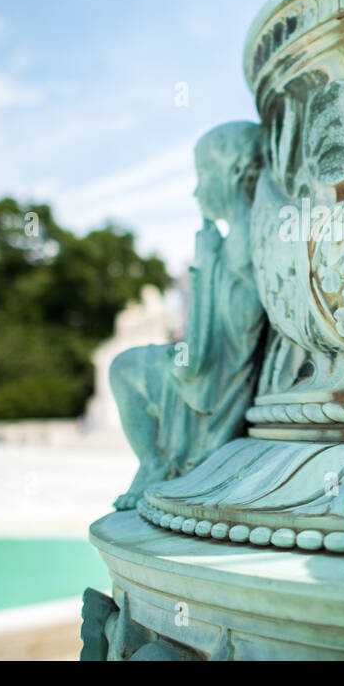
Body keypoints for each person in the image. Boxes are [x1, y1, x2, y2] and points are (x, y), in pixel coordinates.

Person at [111, 121, 266, 510]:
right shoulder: (238, 238)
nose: (197, 191)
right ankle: (155, 462)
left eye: (203, 176)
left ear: (233, 172)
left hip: (212, 379)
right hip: (212, 367)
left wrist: (206, 261)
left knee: (124, 367)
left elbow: (212, 344)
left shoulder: (241, 241)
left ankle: (154, 462)